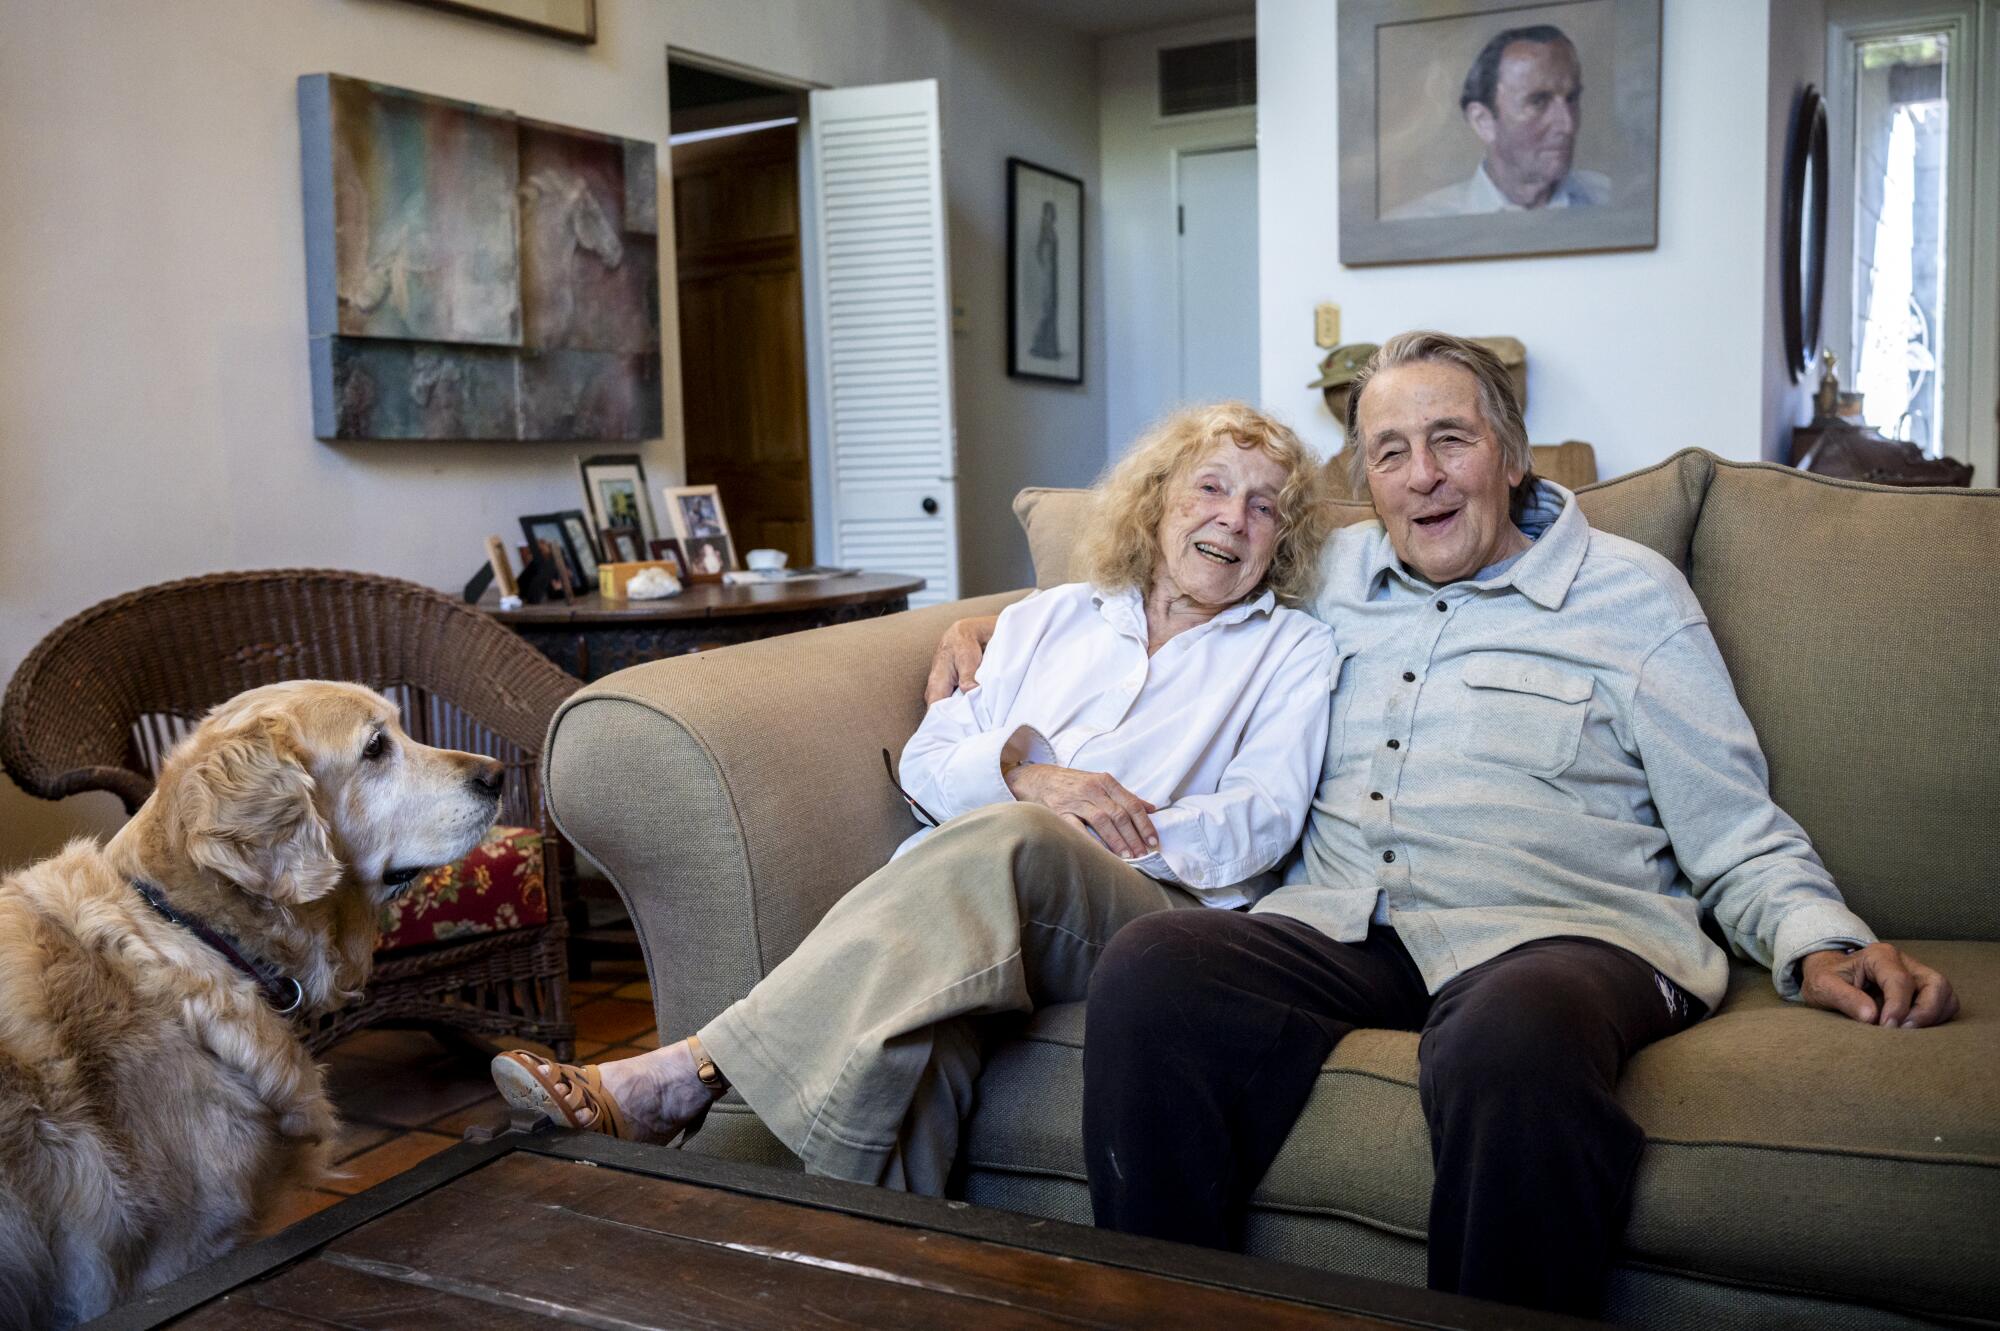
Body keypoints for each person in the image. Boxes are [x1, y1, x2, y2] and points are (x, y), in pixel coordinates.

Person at [925, 332, 1959, 1315]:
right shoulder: (1323, 577)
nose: (1420, 473)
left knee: (1511, 1036)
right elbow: (1169, 584)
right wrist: (987, 628)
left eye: (1448, 440)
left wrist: (1818, 937)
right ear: (1362, 484)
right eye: (1388, 452)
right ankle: (1165, 1314)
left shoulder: (1632, 595)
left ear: (1507, 457)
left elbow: (1728, 813)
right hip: (1344, 922)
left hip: (1563, 927)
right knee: (1156, 964)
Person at [491, 402, 1337, 1196]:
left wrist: (1097, 824)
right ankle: (873, 1275)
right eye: (1212, 487)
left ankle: (689, 1073)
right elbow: (931, 758)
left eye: (1265, 508)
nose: (1233, 518)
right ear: (1157, 504)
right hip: (972, 893)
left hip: (1148, 911)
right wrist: (1033, 781)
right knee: (918, 1036)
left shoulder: (1293, 649)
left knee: (1019, 840)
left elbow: (1262, 817)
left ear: (1282, 542)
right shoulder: (1050, 618)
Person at [1385, 24, 1609, 220]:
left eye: (1571, 99)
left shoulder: (1610, 198)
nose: (1568, 125)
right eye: (1538, 102)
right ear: (1483, 122)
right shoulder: (1414, 224)